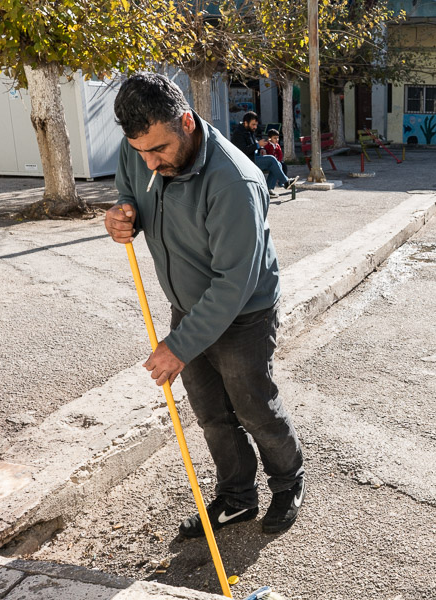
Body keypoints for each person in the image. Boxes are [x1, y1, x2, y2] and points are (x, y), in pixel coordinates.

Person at [104, 73, 306, 539]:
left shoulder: (235, 180)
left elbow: (235, 281)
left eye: (159, 150)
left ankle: (288, 478)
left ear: (188, 123)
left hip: (243, 311)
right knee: (211, 411)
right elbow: (129, 191)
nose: (150, 164)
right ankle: (237, 496)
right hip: (188, 307)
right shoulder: (142, 149)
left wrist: (179, 346)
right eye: (141, 153)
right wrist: (122, 215)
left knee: (254, 406)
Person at [231, 111, 298, 198]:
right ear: (246, 123)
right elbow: (243, 151)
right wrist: (258, 145)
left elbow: (253, 143)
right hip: (245, 162)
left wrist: (261, 149)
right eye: (253, 124)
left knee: (278, 163)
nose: (255, 127)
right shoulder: (238, 134)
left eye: (256, 124)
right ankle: (285, 182)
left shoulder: (248, 130)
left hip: (253, 158)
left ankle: (268, 190)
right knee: (271, 159)